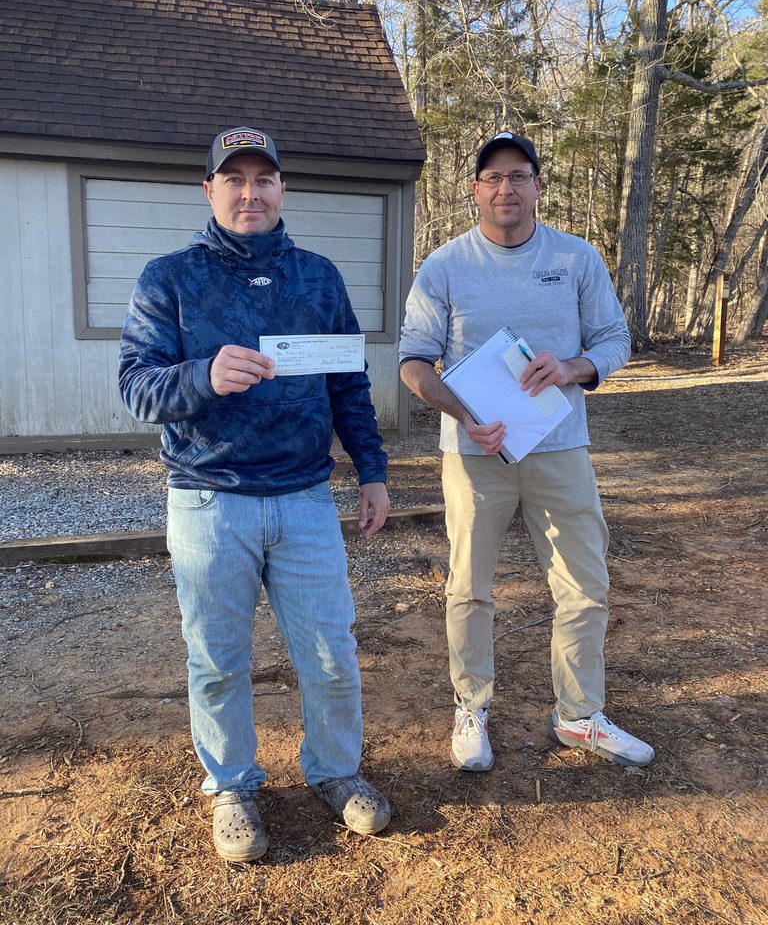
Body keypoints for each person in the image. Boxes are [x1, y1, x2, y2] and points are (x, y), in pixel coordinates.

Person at [119, 126, 392, 863]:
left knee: (331, 652)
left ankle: (334, 770)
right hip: (210, 500)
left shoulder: (319, 278)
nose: (250, 193)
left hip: (304, 499)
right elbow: (137, 387)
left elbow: (349, 384)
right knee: (216, 660)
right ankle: (232, 786)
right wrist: (202, 376)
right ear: (209, 190)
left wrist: (371, 470)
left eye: (263, 179)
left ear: (282, 189)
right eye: (234, 180)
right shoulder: (169, 279)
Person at [399, 131, 654, 774]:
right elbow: (414, 363)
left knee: (583, 585)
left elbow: (615, 339)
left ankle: (579, 715)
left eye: (518, 176)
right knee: (469, 587)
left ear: (538, 186)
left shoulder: (575, 258)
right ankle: (471, 707)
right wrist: (464, 413)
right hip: (474, 453)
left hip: (559, 448)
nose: (505, 188)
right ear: (475, 190)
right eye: (492, 177)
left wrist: (571, 368)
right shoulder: (444, 266)